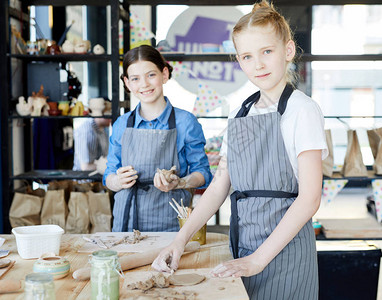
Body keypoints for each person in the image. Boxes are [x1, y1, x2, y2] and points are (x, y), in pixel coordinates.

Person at [151, 1, 328, 299]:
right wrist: (180, 240)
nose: (257, 64)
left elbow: (310, 199)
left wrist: (259, 259)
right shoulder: (240, 113)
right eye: (247, 56)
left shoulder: (303, 111)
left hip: (284, 253)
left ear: (288, 51)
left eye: (266, 52)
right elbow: (221, 184)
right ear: (239, 60)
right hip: (243, 248)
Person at [103, 45, 212, 232]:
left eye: (151, 75)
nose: (144, 84)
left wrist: (179, 183)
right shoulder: (122, 124)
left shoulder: (185, 122)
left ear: (164, 74)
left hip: (171, 226)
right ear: (127, 83)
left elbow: (203, 174)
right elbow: (108, 175)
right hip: (126, 224)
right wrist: (117, 181)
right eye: (135, 79)